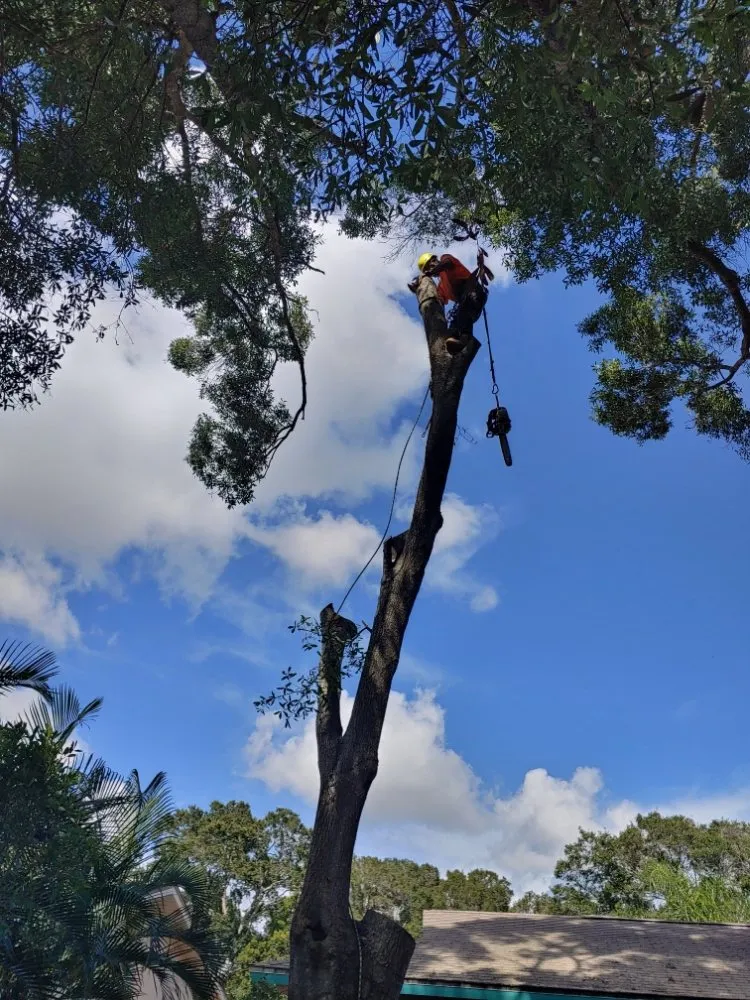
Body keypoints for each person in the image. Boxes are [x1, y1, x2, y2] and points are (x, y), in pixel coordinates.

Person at [409, 252, 489, 352]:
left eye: (431, 264)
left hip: (474, 292)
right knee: (454, 322)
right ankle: (454, 344)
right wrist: (420, 291)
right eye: (428, 269)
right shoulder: (441, 286)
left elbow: (447, 263)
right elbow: (439, 302)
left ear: (435, 260)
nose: (431, 269)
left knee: (463, 311)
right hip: (465, 304)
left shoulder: (445, 259)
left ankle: (465, 338)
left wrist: (430, 273)